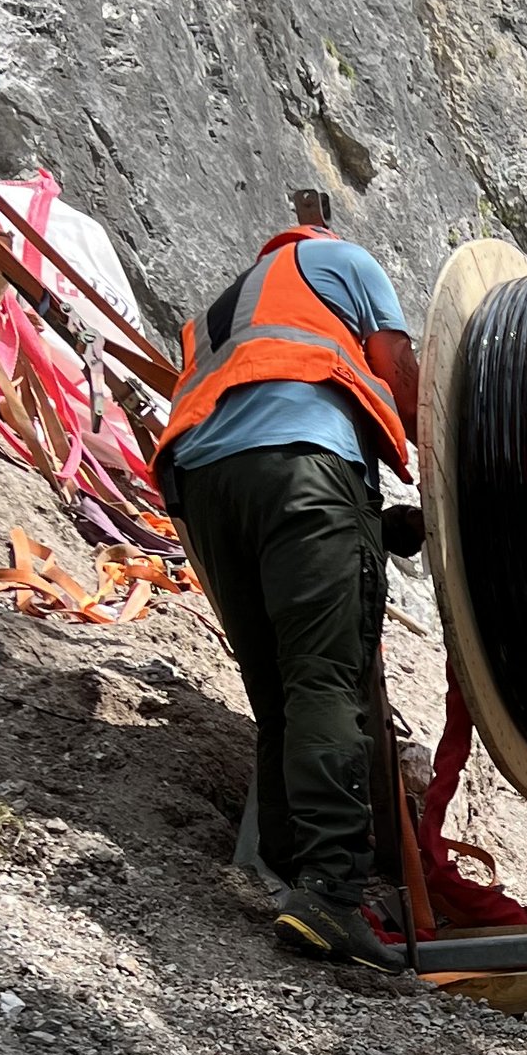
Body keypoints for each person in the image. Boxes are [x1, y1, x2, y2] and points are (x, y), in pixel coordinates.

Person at [158, 187, 420, 972]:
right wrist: (442, 467)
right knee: (324, 682)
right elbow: (400, 371)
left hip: (205, 492)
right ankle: (332, 893)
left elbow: (252, 422)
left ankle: (283, 868)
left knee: (275, 689)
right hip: (304, 471)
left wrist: (371, 524)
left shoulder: (211, 315)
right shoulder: (341, 258)